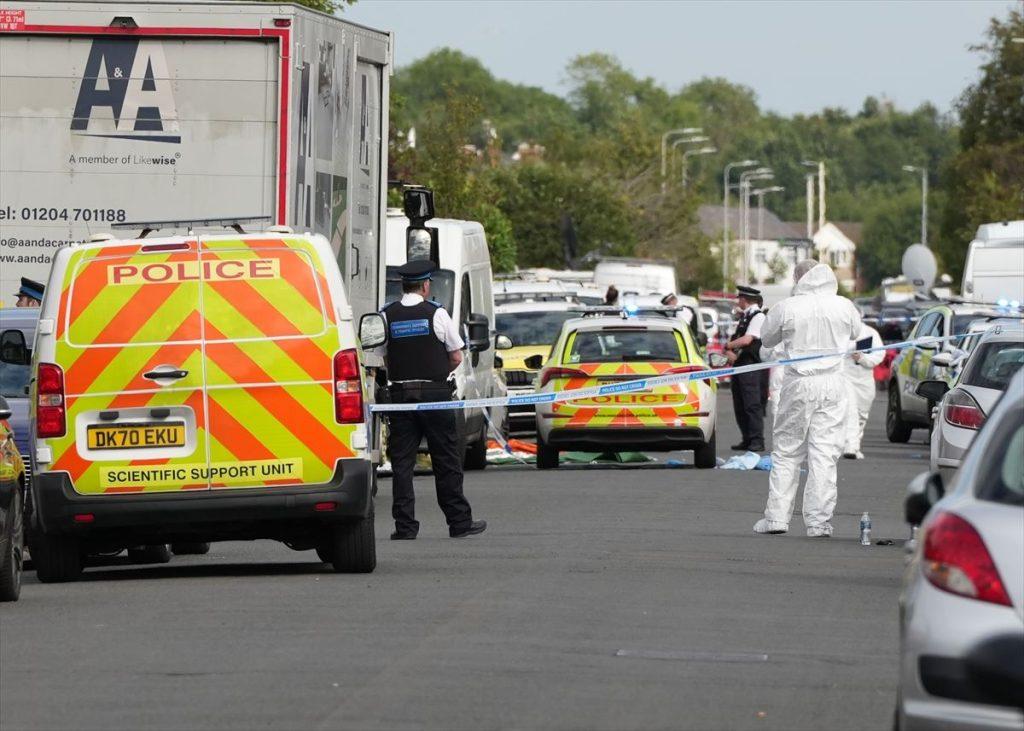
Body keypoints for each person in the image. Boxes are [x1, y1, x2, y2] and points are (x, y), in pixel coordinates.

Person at [380, 260, 487, 540]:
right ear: (426, 286)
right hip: (436, 397)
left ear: (403, 285)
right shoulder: (436, 314)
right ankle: (459, 523)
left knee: (402, 464)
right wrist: (436, 373)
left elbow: (384, 357)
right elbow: (456, 355)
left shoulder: (387, 315)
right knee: (446, 460)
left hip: (400, 398)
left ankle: (405, 528)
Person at [754, 260, 861, 537]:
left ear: (799, 279)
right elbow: (856, 333)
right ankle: (818, 522)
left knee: (788, 451)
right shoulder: (844, 306)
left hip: (799, 382)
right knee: (824, 455)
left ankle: (777, 517)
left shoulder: (788, 307)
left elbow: (766, 339)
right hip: (834, 384)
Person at [725, 285, 767, 452]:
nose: (738, 301)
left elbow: (747, 340)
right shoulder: (745, 316)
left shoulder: (758, 316)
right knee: (740, 404)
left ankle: (757, 440)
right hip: (740, 364)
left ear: (744, 299)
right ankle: (747, 438)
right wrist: (730, 352)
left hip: (750, 365)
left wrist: (728, 345)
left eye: (739, 298)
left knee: (751, 404)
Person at [842, 322, 884, 460]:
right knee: (850, 410)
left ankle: (854, 445)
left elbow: (879, 354)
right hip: (844, 376)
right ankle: (850, 446)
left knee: (862, 413)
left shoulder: (870, 332)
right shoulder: (838, 331)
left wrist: (862, 358)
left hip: (864, 379)